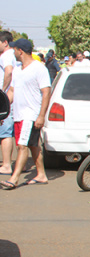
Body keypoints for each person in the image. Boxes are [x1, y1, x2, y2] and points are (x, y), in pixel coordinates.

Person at [1, 39, 51, 189]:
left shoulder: (39, 69)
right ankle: (41, 174)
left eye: (14, 50)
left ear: (20, 51)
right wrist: (2, 111)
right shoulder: (17, 70)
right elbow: (11, 92)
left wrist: (41, 115)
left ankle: (14, 178)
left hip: (31, 115)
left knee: (22, 146)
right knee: (33, 146)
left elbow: (46, 92)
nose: (13, 53)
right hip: (18, 114)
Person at [0, 31, 17, 175]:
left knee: (4, 132)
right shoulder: (14, 55)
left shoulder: (6, 55)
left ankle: (6, 165)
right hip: (12, 97)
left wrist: (2, 92)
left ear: (5, 42)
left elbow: (9, 72)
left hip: (6, 99)